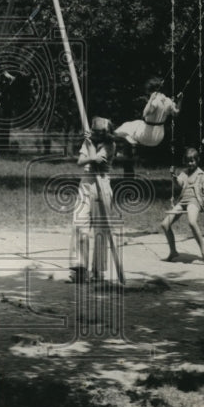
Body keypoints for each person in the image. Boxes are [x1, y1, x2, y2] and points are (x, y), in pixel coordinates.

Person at [70, 116, 117, 283]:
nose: (96, 134)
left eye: (99, 132)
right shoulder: (88, 142)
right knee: (79, 225)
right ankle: (79, 268)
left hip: (102, 185)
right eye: (94, 131)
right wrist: (90, 156)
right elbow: (81, 161)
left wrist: (93, 158)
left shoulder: (110, 145)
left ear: (107, 133)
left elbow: (99, 163)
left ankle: (98, 271)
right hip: (86, 184)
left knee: (100, 231)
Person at [156, 147, 204, 264]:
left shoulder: (202, 174)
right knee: (165, 224)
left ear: (197, 160)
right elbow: (179, 183)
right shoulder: (184, 172)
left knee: (192, 222)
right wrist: (174, 176)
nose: (190, 163)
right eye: (188, 161)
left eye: (192, 161)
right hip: (183, 202)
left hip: (194, 201)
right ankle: (173, 251)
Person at [113, 78, 182, 148]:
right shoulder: (169, 101)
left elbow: (145, 113)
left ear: (150, 90)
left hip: (146, 136)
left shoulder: (154, 101)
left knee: (126, 126)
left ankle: (115, 136)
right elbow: (176, 113)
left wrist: (151, 99)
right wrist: (179, 101)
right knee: (136, 123)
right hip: (158, 138)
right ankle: (131, 138)